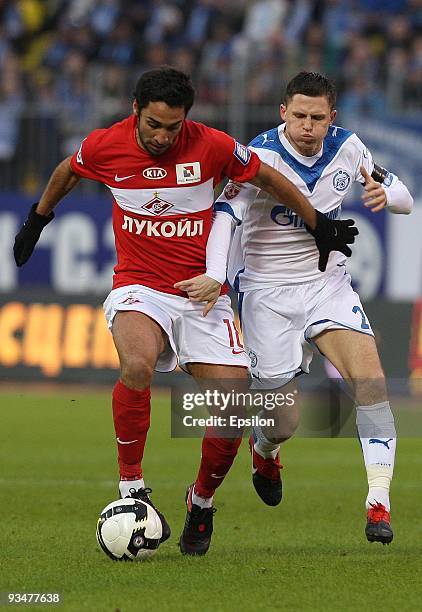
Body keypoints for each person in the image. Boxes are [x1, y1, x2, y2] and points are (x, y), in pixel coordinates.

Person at [13, 67, 358, 556]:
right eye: (154, 125)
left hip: (202, 295)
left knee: (234, 408)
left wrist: (317, 222)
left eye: (173, 127)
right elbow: (69, 169)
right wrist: (37, 219)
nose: (163, 136)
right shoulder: (106, 145)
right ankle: (132, 487)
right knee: (135, 363)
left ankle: (202, 500)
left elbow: (267, 176)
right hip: (139, 286)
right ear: (136, 111)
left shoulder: (212, 145)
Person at [213, 71, 413, 544]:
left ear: (331, 119)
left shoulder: (350, 147)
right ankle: (265, 451)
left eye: (317, 118)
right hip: (266, 294)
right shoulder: (257, 156)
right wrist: (214, 275)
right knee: (284, 422)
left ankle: (378, 502)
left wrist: (388, 196)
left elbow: (402, 194)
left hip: (328, 285)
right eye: (299, 115)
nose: (307, 125)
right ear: (283, 112)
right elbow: (225, 214)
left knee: (372, 383)